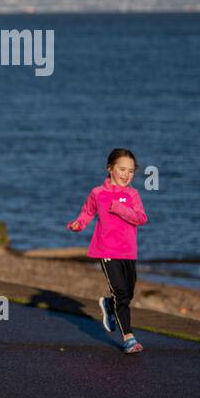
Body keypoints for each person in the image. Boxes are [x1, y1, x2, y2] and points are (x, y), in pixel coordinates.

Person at [67, 149, 148, 354]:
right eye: (122, 169)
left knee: (127, 293)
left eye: (131, 171)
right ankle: (129, 338)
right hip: (107, 250)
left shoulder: (133, 194)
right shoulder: (97, 193)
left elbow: (141, 218)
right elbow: (87, 212)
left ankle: (109, 305)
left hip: (129, 252)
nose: (126, 174)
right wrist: (79, 224)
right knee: (121, 292)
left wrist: (120, 208)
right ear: (110, 169)